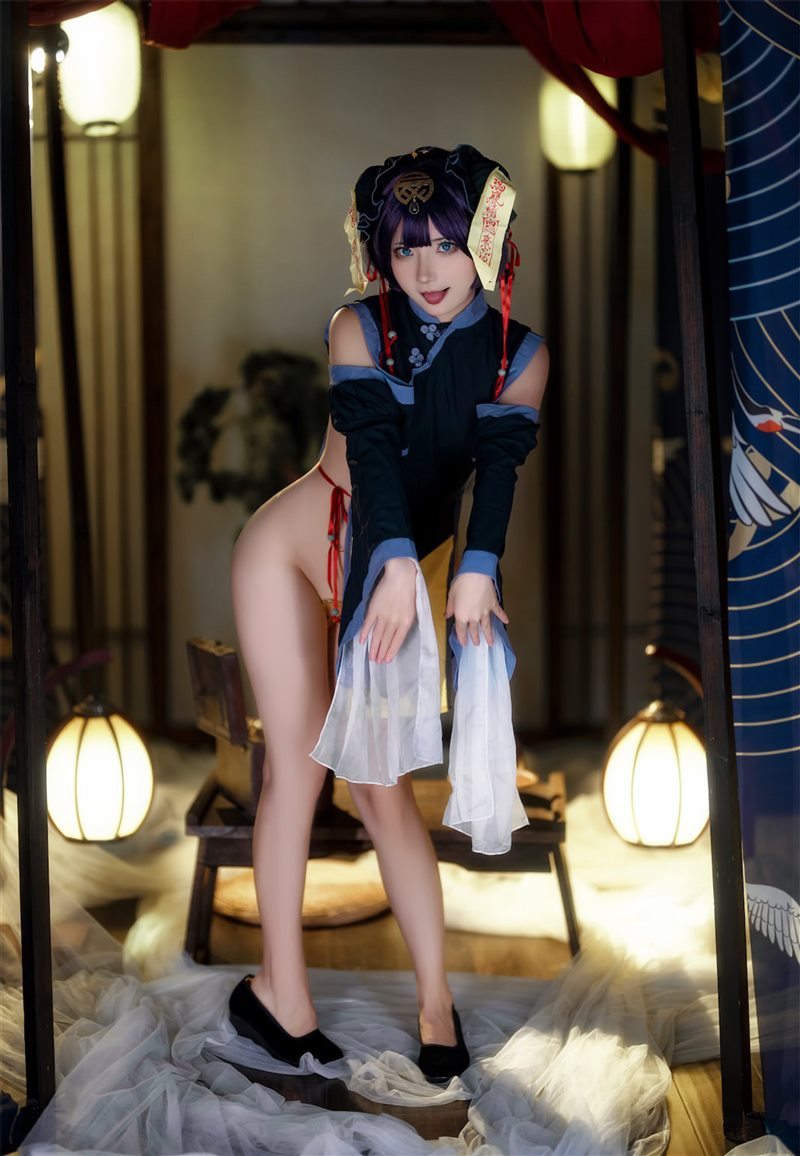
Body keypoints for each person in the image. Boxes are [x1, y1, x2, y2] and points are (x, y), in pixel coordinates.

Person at [227, 145, 549, 1082]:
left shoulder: (520, 355)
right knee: (296, 774)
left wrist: (478, 567)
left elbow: (498, 473)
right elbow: (370, 452)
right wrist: (404, 561)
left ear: (484, 243)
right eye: (405, 248)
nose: (425, 269)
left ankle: (437, 1006)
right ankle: (280, 997)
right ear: (382, 252)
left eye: (446, 244)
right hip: (294, 552)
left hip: (395, 567)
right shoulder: (356, 327)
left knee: (382, 790)